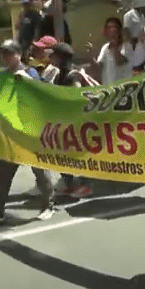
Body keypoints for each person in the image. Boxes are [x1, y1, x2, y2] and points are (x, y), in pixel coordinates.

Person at [0, 40, 54, 223]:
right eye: (3, 54)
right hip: (11, 132)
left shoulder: (30, 72)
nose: (6, 57)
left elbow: (41, 94)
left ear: (19, 54)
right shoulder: (1, 76)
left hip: (31, 131)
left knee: (40, 169)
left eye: (9, 53)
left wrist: (25, 80)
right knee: (3, 171)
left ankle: (48, 205)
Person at [49, 43, 93, 199]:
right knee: (61, 154)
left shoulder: (72, 75)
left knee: (80, 155)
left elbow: (78, 97)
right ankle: (70, 185)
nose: (50, 57)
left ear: (61, 57)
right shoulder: (59, 74)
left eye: (53, 54)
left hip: (76, 122)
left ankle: (85, 186)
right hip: (63, 121)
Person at [89, 17, 132, 85]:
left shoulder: (126, 46)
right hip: (109, 88)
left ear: (119, 30)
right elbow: (98, 67)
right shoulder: (105, 47)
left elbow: (119, 61)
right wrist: (91, 55)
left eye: (114, 27)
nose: (112, 30)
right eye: (109, 28)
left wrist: (115, 42)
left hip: (123, 88)